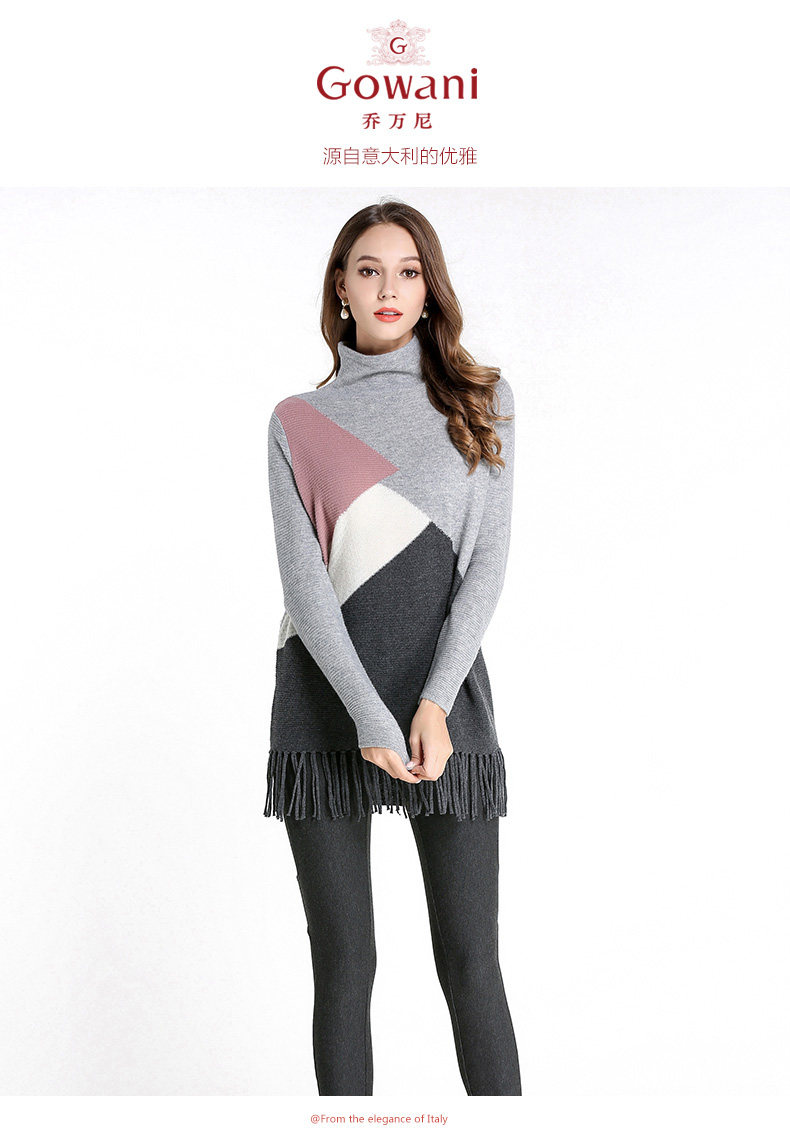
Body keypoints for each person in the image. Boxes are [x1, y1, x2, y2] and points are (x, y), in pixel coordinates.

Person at [263, 199, 521, 1095]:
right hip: (324, 703)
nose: (389, 287)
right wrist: (369, 716)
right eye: (369, 268)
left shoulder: (481, 401)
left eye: (409, 271)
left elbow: (486, 563)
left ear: (429, 287)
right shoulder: (296, 421)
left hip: (446, 705)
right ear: (340, 285)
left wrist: (434, 702)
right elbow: (304, 587)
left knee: (472, 964)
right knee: (344, 968)